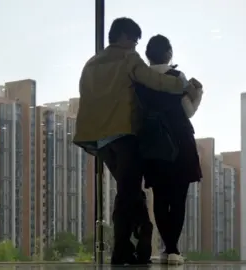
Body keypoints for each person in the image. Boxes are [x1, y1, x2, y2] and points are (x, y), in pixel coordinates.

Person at [73, 17, 199, 265]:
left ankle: (131, 245)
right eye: (133, 40)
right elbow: (156, 81)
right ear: (123, 36)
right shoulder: (128, 58)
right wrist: (184, 84)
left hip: (100, 140)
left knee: (128, 190)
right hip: (124, 135)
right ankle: (133, 242)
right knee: (128, 192)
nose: (135, 46)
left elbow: (86, 95)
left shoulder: (91, 64)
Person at [137, 34, 203, 265]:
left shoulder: (140, 79)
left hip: (153, 143)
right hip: (179, 141)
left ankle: (168, 249)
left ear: (147, 55)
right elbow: (187, 111)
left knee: (161, 196)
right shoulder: (177, 77)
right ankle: (172, 250)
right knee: (178, 198)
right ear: (169, 53)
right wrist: (198, 95)